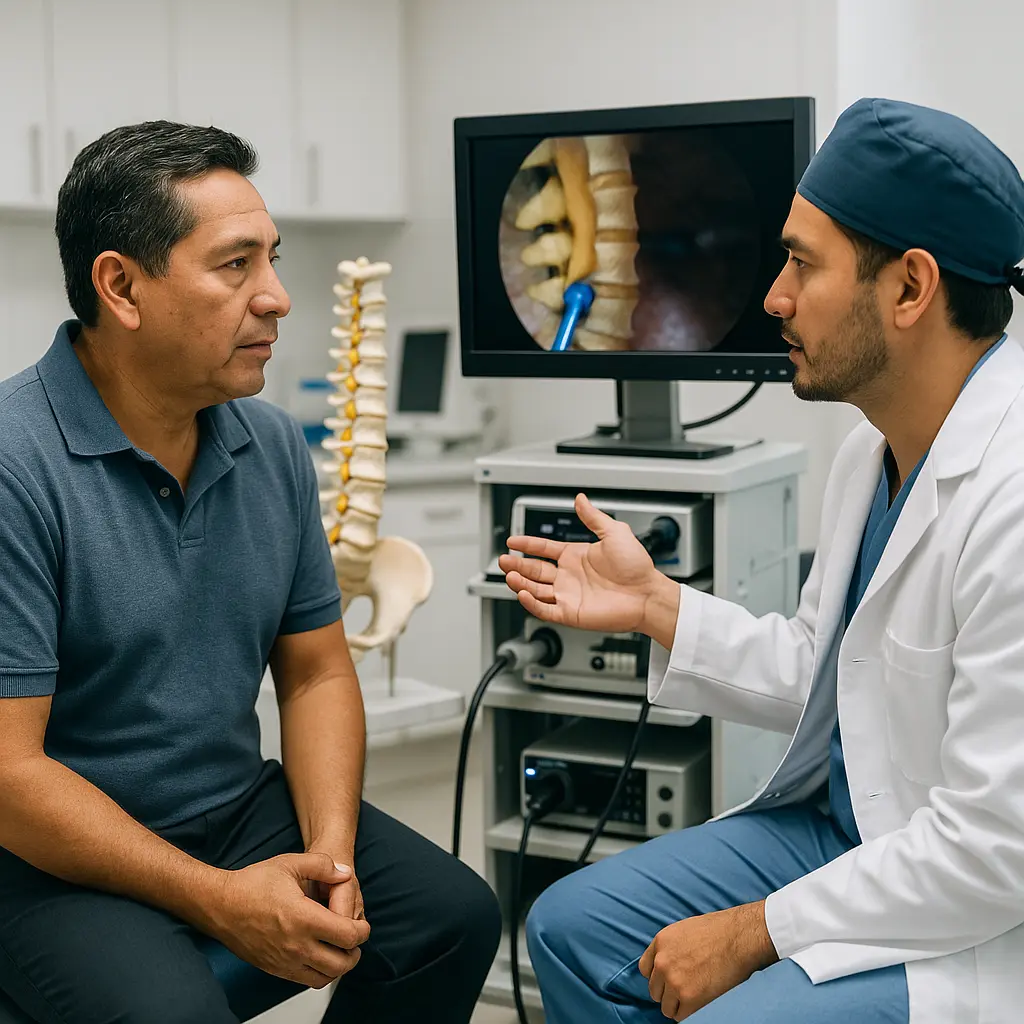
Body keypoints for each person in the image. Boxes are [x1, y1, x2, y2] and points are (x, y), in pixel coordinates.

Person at [500, 97, 1024, 1024]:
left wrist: (755, 931)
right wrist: (658, 605)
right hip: (849, 835)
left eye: (801, 263)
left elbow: (995, 851)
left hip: (972, 907)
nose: (774, 295)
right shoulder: (874, 450)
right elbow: (829, 675)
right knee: (572, 928)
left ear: (910, 289)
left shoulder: (1012, 498)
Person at [0, 121, 500, 1024]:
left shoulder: (267, 444)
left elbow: (315, 671)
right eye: (236, 266)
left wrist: (332, 859)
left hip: (233, 809)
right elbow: (9, 776)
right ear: (121, 287)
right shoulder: (15, 464)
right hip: (48, 859)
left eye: (269, 260)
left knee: (450, 919)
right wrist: (220, 901)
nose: (276, 298)